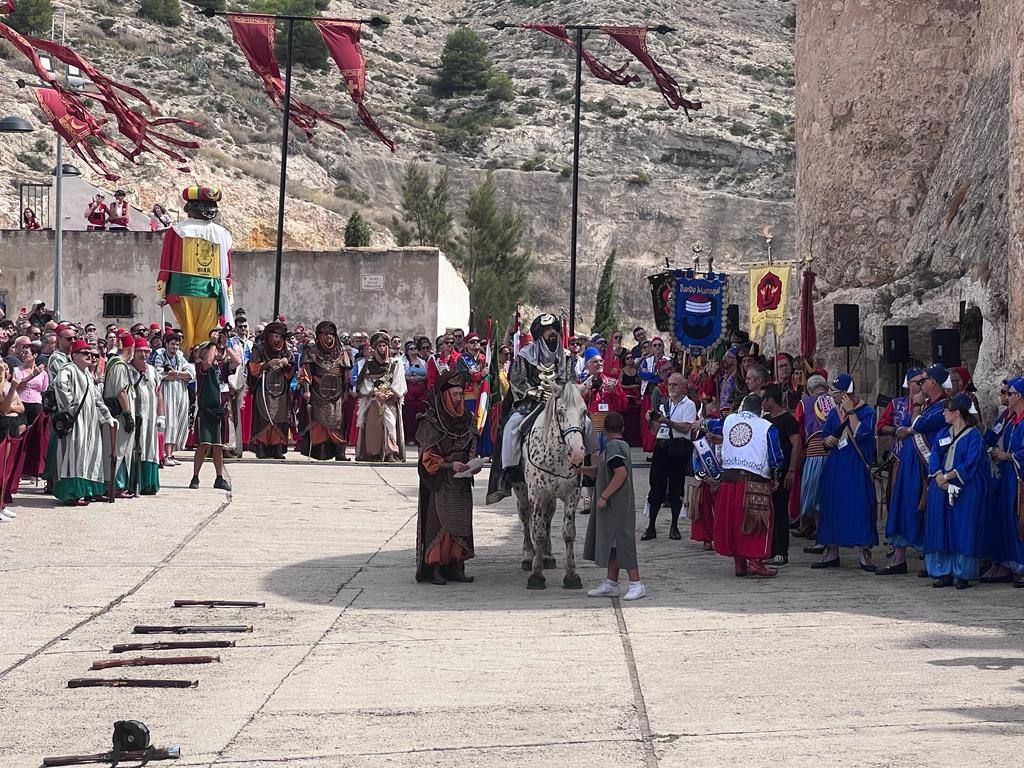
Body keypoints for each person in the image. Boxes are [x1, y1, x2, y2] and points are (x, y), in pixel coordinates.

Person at [876, 365, 948, 575]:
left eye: (922, 380)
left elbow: (917, 426)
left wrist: (916, 406)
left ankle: (930, 561)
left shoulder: (943, 406)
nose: (919, 385)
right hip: (908, 463)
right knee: (901, 505)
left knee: (920, 509)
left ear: (933, 382)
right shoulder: (926, 403)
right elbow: (904, 424)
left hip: (924, 466)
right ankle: (898, 558)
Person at [486, 313, 566, 501]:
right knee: (511, 427)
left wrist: (559, 393)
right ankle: (510, 470)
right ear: (539, 333)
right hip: (531, 403)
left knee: (584, 424)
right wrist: (535, 393)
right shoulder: (525, 355)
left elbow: (569, 379)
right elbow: (517, 382)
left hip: (560, 401)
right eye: (547, 329)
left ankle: (586, 466)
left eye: (554, 329)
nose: (552, 332)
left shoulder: (566, 356)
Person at [703, 393, 783, 577]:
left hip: (729, 482)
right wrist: (776, 477)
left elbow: (711, 425)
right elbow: (775, 456)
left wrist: (701, 423)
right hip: (755, 483)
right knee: (757, 522)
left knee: (733, 522)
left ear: (743, 407)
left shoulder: (729, 420)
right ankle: (755, 562)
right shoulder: (767, 427)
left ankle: (739, 563)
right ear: (760, 409)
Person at [414, 367, 480, 584]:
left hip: (462, 482)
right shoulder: (431, 421)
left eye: (461, 394)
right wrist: (450, 465)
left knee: (461, 523)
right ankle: (435, 567)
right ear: (444, 395)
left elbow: (472, 446)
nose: (459, 398)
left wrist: (472, 464)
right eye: (454, 394)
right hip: (441, 481)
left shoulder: (468, 419)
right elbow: (427, 458)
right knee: (439, 523)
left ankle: (456, 566)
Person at [157, 186, 235, 354]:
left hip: (193, 290)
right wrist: (229, 292)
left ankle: (192, 361)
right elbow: (227, 269)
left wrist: (161, 290)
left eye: (211, 206)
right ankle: (196, 360)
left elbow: (165, 262)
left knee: (193, 336)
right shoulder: (222, 234)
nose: (210, 210)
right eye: (205, 205)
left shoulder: (177, 230)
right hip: (206, 290)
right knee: (203, 337)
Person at [812, 373, 878, 571]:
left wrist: (851, 412)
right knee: (833, 506)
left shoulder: (866, 411)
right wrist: (828, 440)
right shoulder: (834, 413)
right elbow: (825, 438)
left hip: (856, 465)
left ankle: (864, 552)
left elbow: (862, 433)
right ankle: (832, 551)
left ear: (845, 393)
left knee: (860, 507)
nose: (832, 396)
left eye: (835, 393)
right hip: (836, 465)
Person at [923, 394, 986, 589]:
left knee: (962, 527)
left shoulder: (974, 435)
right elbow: (935, 454)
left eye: (946, 410)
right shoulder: (943, 433)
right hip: (941, 487)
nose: (943, 413)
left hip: (964, 488)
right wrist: (938, 475)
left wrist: (949, 476)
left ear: (957, 412)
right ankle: (943, 572)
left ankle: (962, 573)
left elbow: (971, 461)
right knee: (941, 527)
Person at [582, 412, 646, 600]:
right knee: (613, 545)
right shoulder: (614, 446)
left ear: (604, 429)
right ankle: (611, 582)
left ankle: (636, 583)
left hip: (617, 506)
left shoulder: (614, 447)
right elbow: (602, 471)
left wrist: (604, 496)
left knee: (624, 543)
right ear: (623, 428)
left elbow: (620, 473)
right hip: (614, 506)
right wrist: (582, 469)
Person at [52, 340, 117, 506]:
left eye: (91, 353)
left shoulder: (87, 373)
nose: (90, 356)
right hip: (76, 422)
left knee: (90, 455)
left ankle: (88, 491)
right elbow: (59, 385)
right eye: (85, 353)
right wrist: (70, 408)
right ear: (74, 356)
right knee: (74, 456)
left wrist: (107, 416)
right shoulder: (68, 369)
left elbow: (97, 398)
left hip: (90, 422)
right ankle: (71, 493)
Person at [980, 377, 1024, 586]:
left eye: (1010, 393)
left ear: (1019, 396)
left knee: (1018, 520)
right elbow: (991, 435)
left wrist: (1007, 456)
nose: (1006, 397)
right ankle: (1005, 564)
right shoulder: (1007, 418)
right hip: (1005, 477)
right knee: (1004, 518)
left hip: (1018, 478)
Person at [642, 372, 696, 541]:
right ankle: (651, 526)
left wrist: (667, 421)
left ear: (683, 387)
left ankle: (674, 526)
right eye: (670, 384)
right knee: (656, 486)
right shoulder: (663, 403)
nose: (671, 387)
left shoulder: (689, 405)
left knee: (676, 487)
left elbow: (686, 428)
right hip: (661, 446)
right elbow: (655, 431)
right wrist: (652, 420)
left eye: (675, 384)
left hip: (678, 448)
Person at [299, 321, 352, 461]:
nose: (329, 337)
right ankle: (321, 451)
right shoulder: (311, 350)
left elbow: (346, 374)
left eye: (332, 334)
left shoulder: (341, 351)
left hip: (336, 393)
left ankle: (340, 453)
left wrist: (346, 391)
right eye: (326, 334)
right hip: (318, 391)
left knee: (337, 422)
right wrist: (306, 390)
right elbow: (306, 372)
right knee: (319, 422)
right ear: (319, 335)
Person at [190, 330, 233, 491]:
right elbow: (207, 362)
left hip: (220, 411)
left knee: (218, 446)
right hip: (206, 411)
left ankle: (219, 477)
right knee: (203, 444)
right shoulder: (201, 366)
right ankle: (195, 476)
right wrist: (213, 344)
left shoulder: (221, 367)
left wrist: (225, 345)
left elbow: (236, 361)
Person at [763, 384, 801, 566]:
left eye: (764, 399)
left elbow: (797, 445)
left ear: (770, 400)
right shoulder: (765, 419)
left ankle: (781, 551)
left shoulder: (788, 421)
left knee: (780, 511)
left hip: (783, 472)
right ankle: (769, 548)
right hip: (767, 472)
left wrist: (791, 470)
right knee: (768, 511)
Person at [792, 374, 833, 542]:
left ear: (809, 390)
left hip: (815, 453)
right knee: (829, 492)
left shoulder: (804, 403)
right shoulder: (836, 401)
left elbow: (799, 430)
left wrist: (801, 452)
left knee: (813, 493)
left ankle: (819, 530)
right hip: (835, 453)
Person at [355, 331, 407, 462]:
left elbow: (399, 381)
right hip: (373, 399)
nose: (382, 348)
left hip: (390, 399)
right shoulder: (369, 364)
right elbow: (365, 383)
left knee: (390, 424)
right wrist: (375, 392)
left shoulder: (396, 363)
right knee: (373, 426)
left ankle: (391, 453)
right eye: (379, 346)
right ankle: (373, 453)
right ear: (375, 348)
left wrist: (390, 392)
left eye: (384, 345)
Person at [248, 321, 292, 459]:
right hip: (264, 387)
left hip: (281, 388)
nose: (278, 339)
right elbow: (253, 368)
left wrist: (286, 363)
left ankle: (277, 447)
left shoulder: (285, 350)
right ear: (269, 335)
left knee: (279, 416)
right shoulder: (259, 348)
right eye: (276, 336)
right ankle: (261, 446)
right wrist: (267, 364)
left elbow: (291, 368)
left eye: (280, 336)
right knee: (263, 416)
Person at [102, 332, 139, 498]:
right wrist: (128, 414)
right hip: (119, 415)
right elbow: (121, 391)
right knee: (118, 449)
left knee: (120, 448)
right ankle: (115, 486)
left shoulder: (115, 363)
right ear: (131, 348)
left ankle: (117, 485)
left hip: (118, 414)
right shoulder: (119, 365)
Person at [153, 334, 193, 467]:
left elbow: (190, 373)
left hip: (181, 392)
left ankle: (171, 453)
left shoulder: (180, 356)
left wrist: (175, 374)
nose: (175, 347)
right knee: (169, 421)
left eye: (177, 344)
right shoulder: (160, 356)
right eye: (172, 344)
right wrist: (179, 375)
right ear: (166, 344)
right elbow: (160, 375)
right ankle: (165, 454)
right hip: (167, 391)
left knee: (180, 421)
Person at [131, 340, 162, 495]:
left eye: (146, 351)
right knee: (136, 448)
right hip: (134, 416)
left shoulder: (152, 370)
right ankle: (134, 483)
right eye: (140, 351)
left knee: (150, 447)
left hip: (150, 417)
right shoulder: (128, 370)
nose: (144, 355)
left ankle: (149, 483)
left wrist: (161, 415)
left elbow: (159, 393)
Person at [402, 338, 429, 446]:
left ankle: (419, 438)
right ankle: (409, 437)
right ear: (407, 351)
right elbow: (400, 375)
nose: (413, 350)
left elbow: (427, 374)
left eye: (415, 348)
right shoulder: (403, 362)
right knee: (409, 417)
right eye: (411, 349)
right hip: (409, 394)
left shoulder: (423, 362)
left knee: (421, 416)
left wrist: (421, 378)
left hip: (421, 394)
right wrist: (409, 378)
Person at [14, 341, 48, 426]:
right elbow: (17, 385)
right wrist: (33, 375)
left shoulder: (43, 373)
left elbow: (43, 389)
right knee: (21, 428)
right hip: (21, 402)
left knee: (34, 429)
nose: (23, 355)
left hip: (36, 403)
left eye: (26, 353)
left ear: (35, 355)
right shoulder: (17, 370)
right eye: (22, 353)